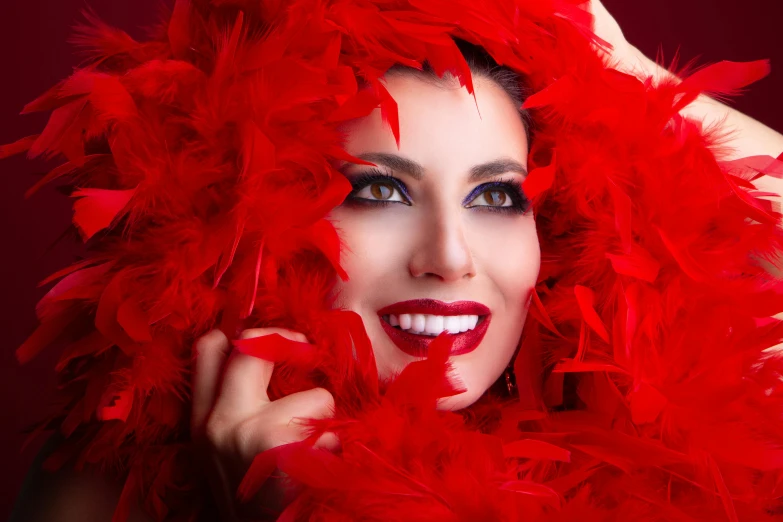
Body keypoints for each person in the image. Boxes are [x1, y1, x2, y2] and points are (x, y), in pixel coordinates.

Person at [7, 0, 783, 520]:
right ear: (257, 213)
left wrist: (606, 59)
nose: (448, 257)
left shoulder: (660, 437)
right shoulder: (106, 476)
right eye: (378, 191)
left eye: (496, 197)